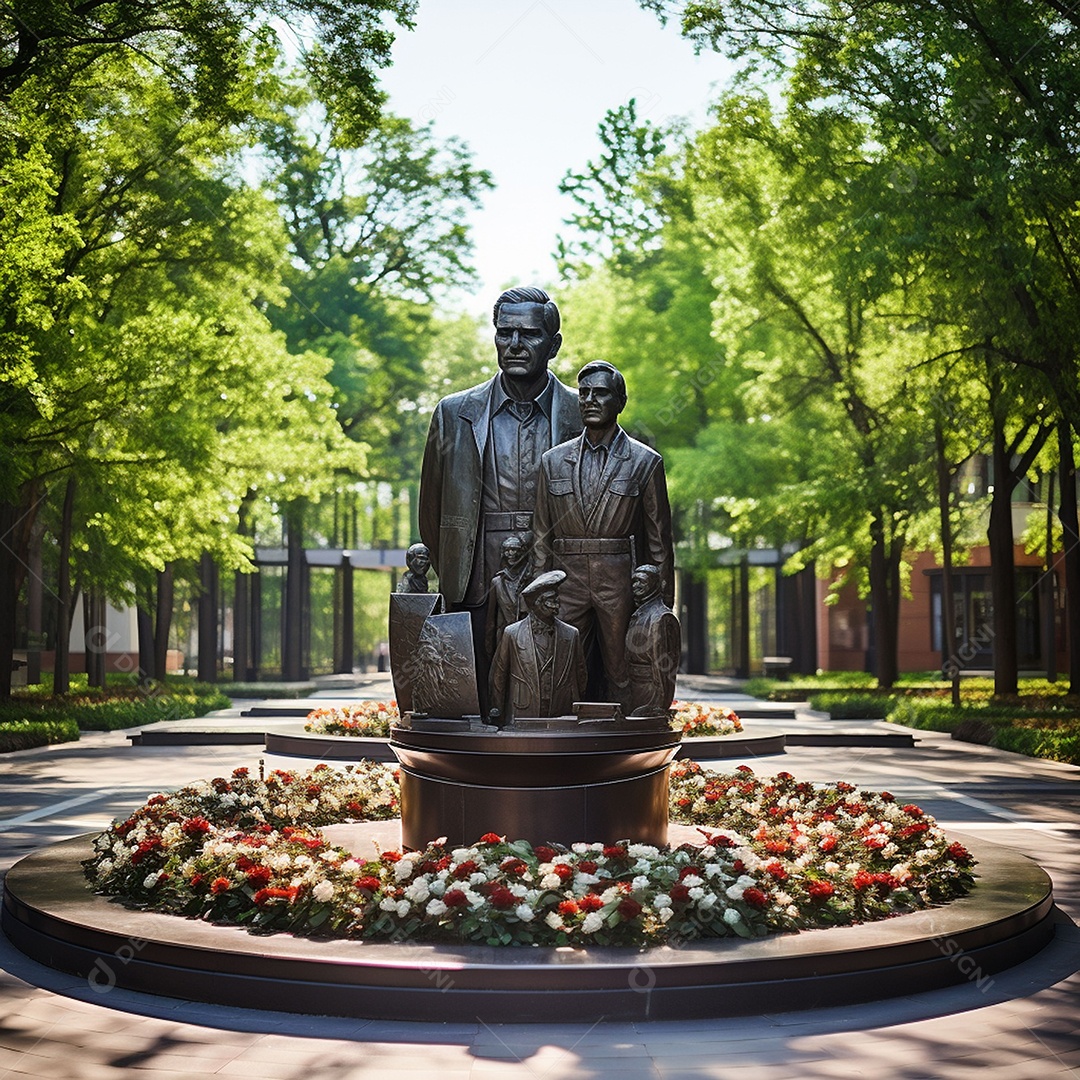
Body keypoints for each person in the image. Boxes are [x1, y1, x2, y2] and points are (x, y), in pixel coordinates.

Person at [417, 287, 582, 611]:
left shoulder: (581, 414)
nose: (515, 345)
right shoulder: (453, 414)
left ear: (554, 345)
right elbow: (431, 515)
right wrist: (456, 571)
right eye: (505, 333)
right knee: (478, 662)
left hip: (562, 581)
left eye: (530, 334)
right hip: (475, 577)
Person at [532, 360, 674, 705]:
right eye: (584, 393)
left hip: (618, 577)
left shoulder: (644, 461)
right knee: (562, 663)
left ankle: (624, 737)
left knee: (620, 664)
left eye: (601, 393)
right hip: (565, 578)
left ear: (620, 402)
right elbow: (541, 535)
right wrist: (538, 590)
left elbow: (659, 540)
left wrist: (662, 602)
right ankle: (561, 737)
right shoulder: (552, 461)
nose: (590, 400)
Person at [489, 570, 586, 724]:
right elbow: (499, 675)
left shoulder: (571, 634)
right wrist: (497, 710)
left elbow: (581, 676)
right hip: (522, 710)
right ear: (537, 603)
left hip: (560, 712)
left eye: (557, 599)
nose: (557, 604)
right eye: (551, 600)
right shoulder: (512, 633)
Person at [625, 564, 681, 717]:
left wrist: (658, 703)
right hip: (636, 687)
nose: (636, 586)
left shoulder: (660, 617)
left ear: (655, 584)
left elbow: (662, 666)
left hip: (649, 693)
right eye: (634, 581)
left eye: (641, 582)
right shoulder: (642, 612)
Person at [484, 532, 530, 659]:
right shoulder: (497, 582)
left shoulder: (530, 580)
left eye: (515, 550)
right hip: (504, 636)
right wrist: (489, 643)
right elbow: (490, 619)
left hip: (526, 637)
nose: (511, 554)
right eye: (507, 550)